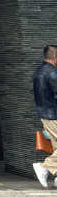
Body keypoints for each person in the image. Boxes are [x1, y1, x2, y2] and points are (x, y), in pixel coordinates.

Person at [32, 44, 57, 187]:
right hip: (53, 114)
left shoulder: (39, 71)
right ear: (54, 57)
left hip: (45, 113)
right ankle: (44, 167)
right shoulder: (52, 72)